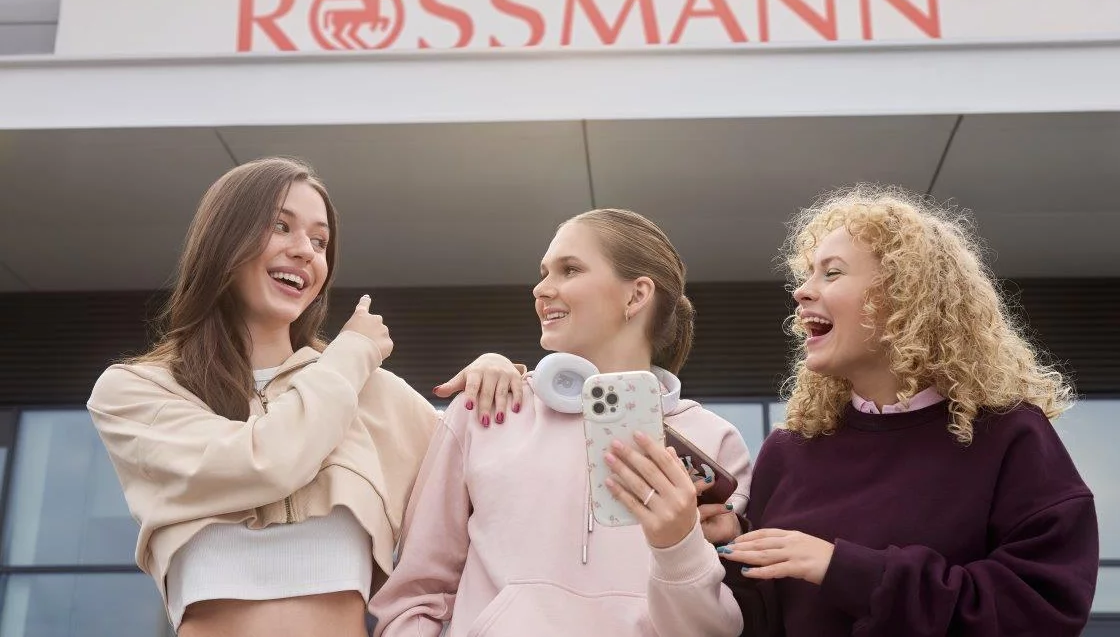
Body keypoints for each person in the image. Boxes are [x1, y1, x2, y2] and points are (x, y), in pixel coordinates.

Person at [87, 157, 517, 636]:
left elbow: (504, 489)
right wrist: (353, 353)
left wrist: (494, 375)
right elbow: (266, 462)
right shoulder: (135, 392)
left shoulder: (375, 394)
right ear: (224, 239)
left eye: (320, 241)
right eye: (280, 226)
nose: (305, 252)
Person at [716, 185, 1099, 636]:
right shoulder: (788, 451)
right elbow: (757, 621)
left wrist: (845, 569)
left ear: (904, 295)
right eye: (807, 275)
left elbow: (1041, 610)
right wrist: (718, 547)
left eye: (832, 273)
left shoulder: (1009, 435)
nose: (801, 292)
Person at [369, 208, 752, 637]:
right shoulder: (486, 409)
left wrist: (678, 544)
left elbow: (715, 628)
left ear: (636, 295)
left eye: (569, 269)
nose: (541, 289)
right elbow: (416, 594)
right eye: (544, 272)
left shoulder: (714, 441)